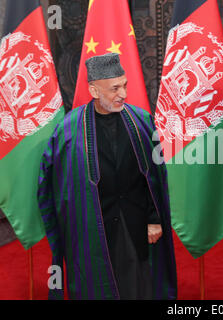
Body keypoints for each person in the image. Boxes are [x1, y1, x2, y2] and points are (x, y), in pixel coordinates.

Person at [38, 53, 177, 300]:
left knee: (138, 288)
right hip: (92, 231)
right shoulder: (69, 129)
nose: (123, 94)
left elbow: (156, 177)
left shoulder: (141, 121)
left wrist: (154, 218)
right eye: (115, 88)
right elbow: (53, 184)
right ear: (94, 90)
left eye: (124, 85)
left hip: (135, 227)